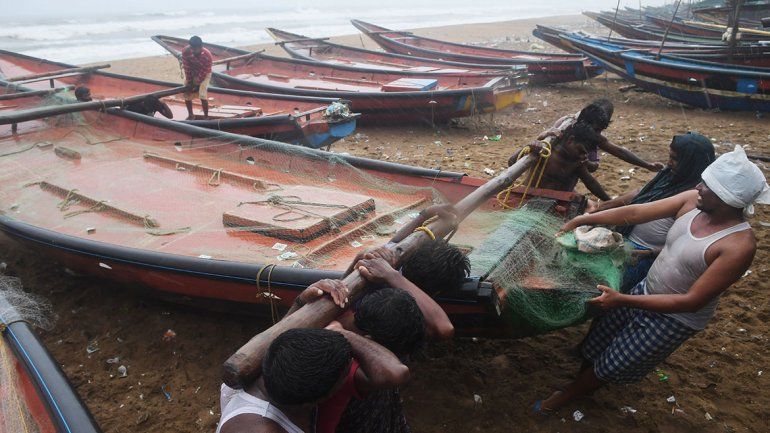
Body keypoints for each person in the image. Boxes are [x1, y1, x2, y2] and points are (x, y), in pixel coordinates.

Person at [535, 145, 769, 413]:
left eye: (709, 186)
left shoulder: (738, 245)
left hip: (674, 318)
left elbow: (691, 301)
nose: (699, 187)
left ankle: (567, 396)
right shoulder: (693, 201)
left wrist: (622, 299)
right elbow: (635, 213)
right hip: (645, 289)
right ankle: (582, 382)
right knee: (600, 339)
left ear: (729, 199)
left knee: (614, 363)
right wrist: (582, 220)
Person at [217, 282, 409, 433]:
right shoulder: (260, 428)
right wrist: (343, 334)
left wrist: (300, 303)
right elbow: (395, 372)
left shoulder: (265, 373)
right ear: (321, 399)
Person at [591, 132, 716, 291]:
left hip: (642, 256)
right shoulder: (670, 176)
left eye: (675, 159)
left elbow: (682, 248)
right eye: (670, 156)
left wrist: (649, 252)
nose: (669, 163)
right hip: (624, 239)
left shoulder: (695, 198)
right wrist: (602, 207)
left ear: (691, 163)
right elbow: (639, 194)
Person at [344, 204, 470, 298]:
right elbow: (395, 243)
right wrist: (425, 214)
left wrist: (426, 214)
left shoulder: (384, 285)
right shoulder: (405, 284)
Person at [538, 99, 664, 173]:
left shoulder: (595, 136)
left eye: (600, 130)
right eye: (597, 129)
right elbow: (540, 142)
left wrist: (648, 165)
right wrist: (546, 134)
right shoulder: (565, 125)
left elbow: (620, 152)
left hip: (571, 174)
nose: (597, 133)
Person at [509, 122, 612, 201]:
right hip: (529, 199)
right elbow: (512, 162)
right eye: (581, 151)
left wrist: (609, 201)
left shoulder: (576, 162)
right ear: (570, 140)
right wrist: (528, 148)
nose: (583, 156)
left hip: (556, 203)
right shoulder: (545, 151)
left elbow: (591, 183)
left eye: (586, 154)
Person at [182, 35, 213, 120]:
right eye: (192, 48)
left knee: (202, 94)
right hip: (192, 73)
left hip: (205, 74)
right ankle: (191, 115)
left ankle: (206, 117)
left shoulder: (207, 55)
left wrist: (197, 83)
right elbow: (187, 67)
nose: (193, 51)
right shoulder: (185, 51)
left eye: (195, 49)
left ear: (201, 46)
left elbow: (204, 71)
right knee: (187, 93)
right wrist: (189, 81)